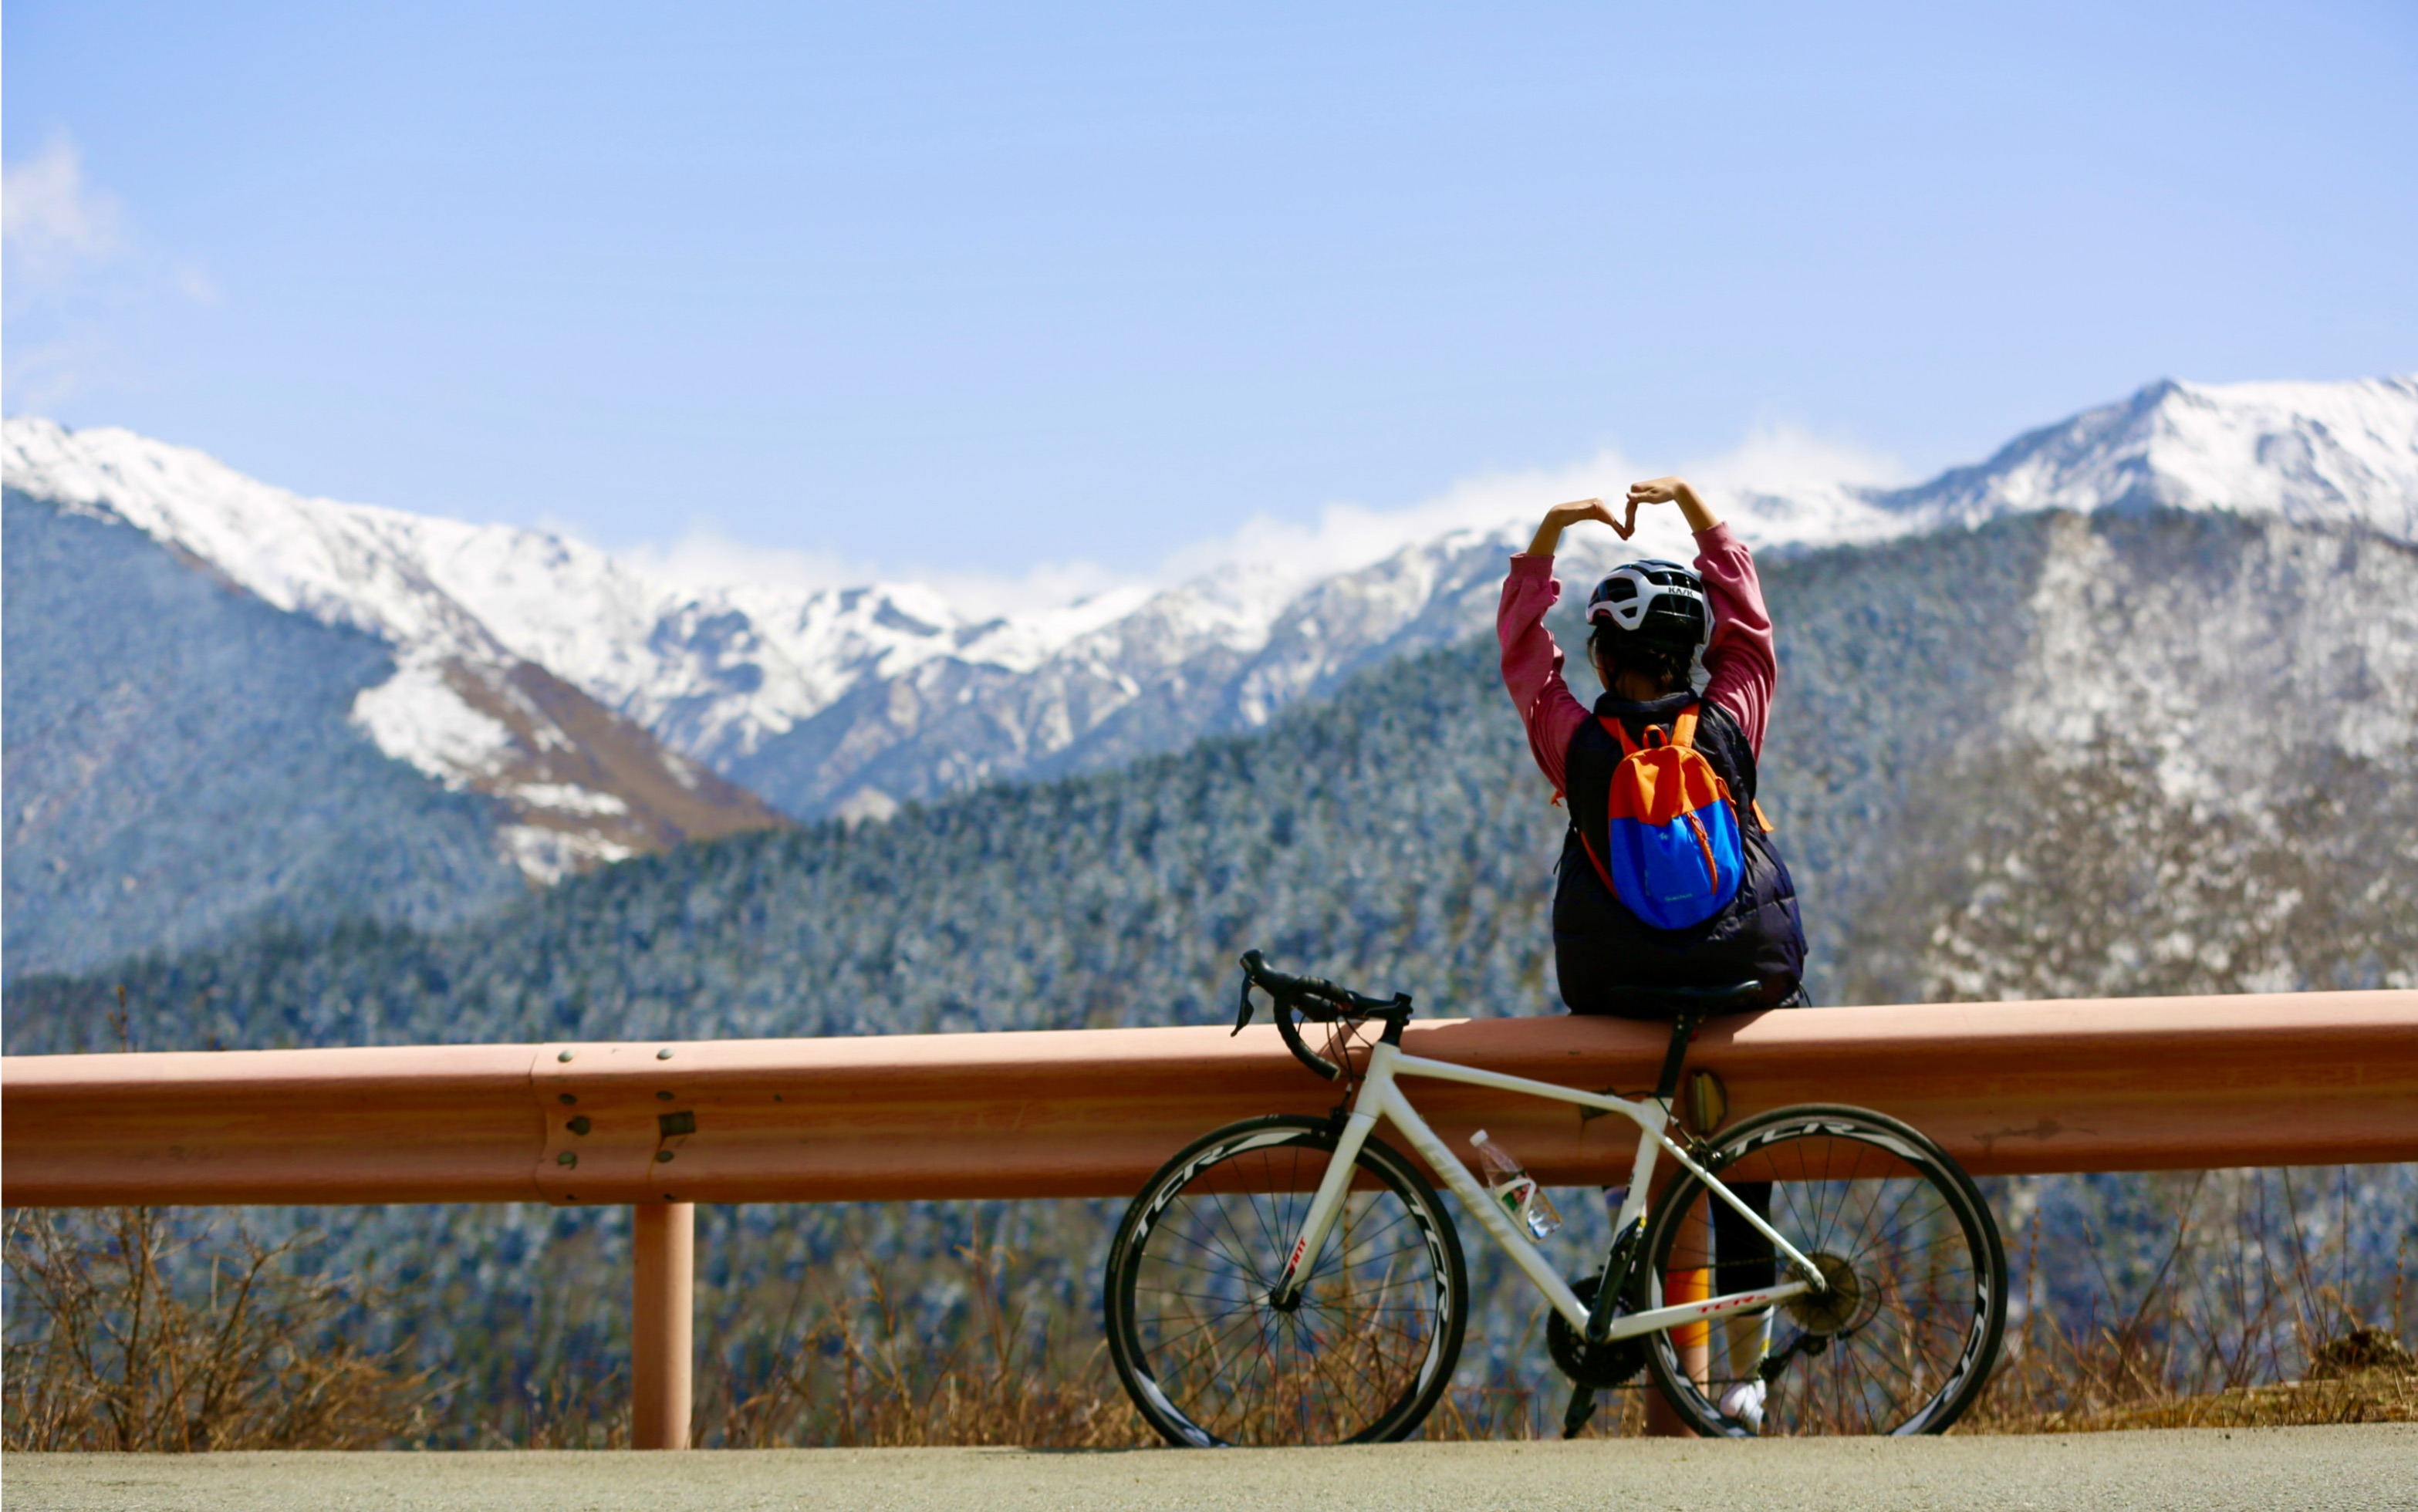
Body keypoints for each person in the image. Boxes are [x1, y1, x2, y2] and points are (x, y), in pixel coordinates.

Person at [1497, 474, 1808, 1429]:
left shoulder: (1580, 746)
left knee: (1649, 1165)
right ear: (1684, 651)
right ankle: (1746, 1383)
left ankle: (1678, 1358)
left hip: (1619, 990)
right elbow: (1751, 642)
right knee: (1742, 1172)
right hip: (1741, 978)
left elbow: (1521, 660)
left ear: (1602, 653)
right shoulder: (1725, 725)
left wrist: (1547, 535)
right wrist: (1702, 514)